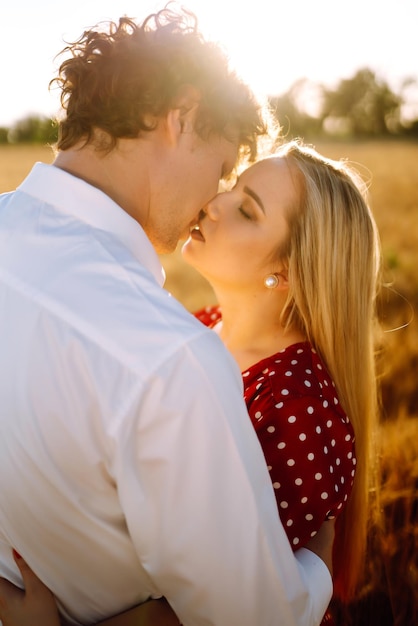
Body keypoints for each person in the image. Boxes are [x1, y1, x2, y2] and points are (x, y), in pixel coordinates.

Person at [0, 5, 334, 626]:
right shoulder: (169, 361)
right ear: (182, 119)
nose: (215, 194)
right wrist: (314, 570)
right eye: (224, 167)